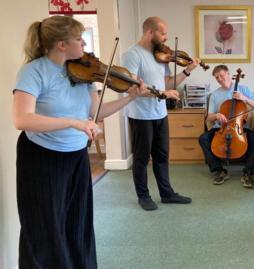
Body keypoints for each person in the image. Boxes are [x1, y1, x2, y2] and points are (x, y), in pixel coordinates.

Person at [13, 16, 148, 269]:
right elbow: (22, 119)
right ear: (61, 44)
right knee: (45, 224)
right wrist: (73, 122)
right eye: (78, 38)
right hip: (41, 157)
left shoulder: (83, 72)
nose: (84, 43)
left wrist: (130, 98)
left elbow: (97, 112)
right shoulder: (34, 71)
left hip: (75, 156)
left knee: (77, 222)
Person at [121, 16, 199, 210]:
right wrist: (163, 93)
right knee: (141, 158)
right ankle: (143, 196)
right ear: (150, 32)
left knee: (162, 156)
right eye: (163, 33)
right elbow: (132, 87)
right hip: (140, 115)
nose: (166, 37)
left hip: (160, 113)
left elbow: (167, 84)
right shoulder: (132, 55)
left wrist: (187, 71)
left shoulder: (159, 55)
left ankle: (167, 194)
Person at [198, 65, 254, 188]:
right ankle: (219, 170)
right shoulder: (215, 94)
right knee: (203, 138)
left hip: (240, 128)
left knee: (253, 137)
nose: (220, 79)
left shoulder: (243, 89)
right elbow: (209, 117)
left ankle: (248, 173)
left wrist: (244, 98)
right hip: (220, 128)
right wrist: (216, 115)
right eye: (217, 78)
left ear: (228, 74)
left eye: (221, 75)